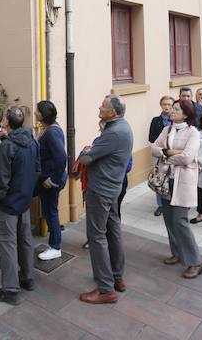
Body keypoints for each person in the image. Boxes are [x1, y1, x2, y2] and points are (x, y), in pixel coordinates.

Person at [77, 95, 133, 303]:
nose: (100, 107)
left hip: (101, 190)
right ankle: (117, 277)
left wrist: (86, 151)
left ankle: (105, 289)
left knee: (96, 236)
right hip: (112, 189)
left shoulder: (114, 133)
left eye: (104, 106)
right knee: (113, 231)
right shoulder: (123, 127)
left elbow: (85, 158)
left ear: (113, 112)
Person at [0, 107, 39, 306]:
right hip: (24, 200)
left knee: (8, 244)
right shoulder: (32, 142)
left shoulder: (7, 146)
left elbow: (0, 180)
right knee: (25, 239)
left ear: (7, 123)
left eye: (2, 118)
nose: (1, 120)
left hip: (8, 204)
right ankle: (27, 278)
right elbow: (37, 169)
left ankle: (10, 290)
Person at [151, 99, 202, 279]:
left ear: (186, 114)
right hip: (167, 180)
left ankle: (195, 261)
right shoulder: (167, 129)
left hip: (183, 181)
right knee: (169, 220)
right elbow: (154, 148)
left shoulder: (193, 133)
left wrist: (167, 156)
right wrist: (168, 152)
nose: (172, 111)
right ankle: (177, 253)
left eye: (176, 109)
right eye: (172, 109)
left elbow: (188, 158)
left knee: (180, 221)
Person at [35, 100, 68, 262]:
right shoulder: (47, 129)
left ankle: (56, 247)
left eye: (37, 111)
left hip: (50, 181)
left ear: (43, 114)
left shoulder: (52, 132)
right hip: (45, 179)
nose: (35, 113)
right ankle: (54, 244)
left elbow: (61, 158)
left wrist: (53, 180)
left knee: (51, 212)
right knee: (49, 211)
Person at [148, 95, 174, 217]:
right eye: (164, 104)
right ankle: (160, 205)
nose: (167, 107)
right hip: (159, 153)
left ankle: (173, 202)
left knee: (173, 178)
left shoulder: (176, 121)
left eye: (169, 104)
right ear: (161, 105)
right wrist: (162, 141)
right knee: (159, 178)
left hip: (173, 154)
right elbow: (151, 137)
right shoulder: (155, 120)